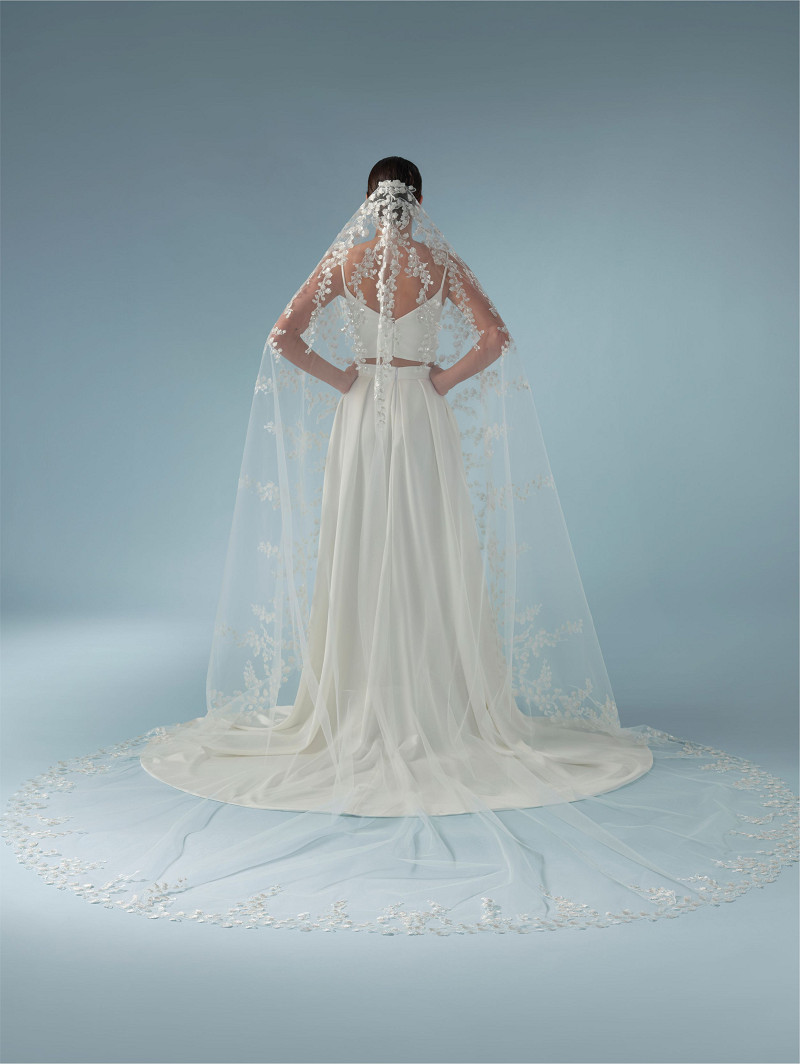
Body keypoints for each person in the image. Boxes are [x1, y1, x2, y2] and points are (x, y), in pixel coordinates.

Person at [2, 158, 796, 934]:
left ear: (367, 202)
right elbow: (496, 337)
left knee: (361, 543)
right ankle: (435, 694)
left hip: (361, 412)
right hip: (421, 410)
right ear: (419, 203)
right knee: (429, 546)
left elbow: (283, 337)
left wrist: (346, 381)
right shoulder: (441, 265)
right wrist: (439, 381)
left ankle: (360, 694)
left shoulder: (345, 263)